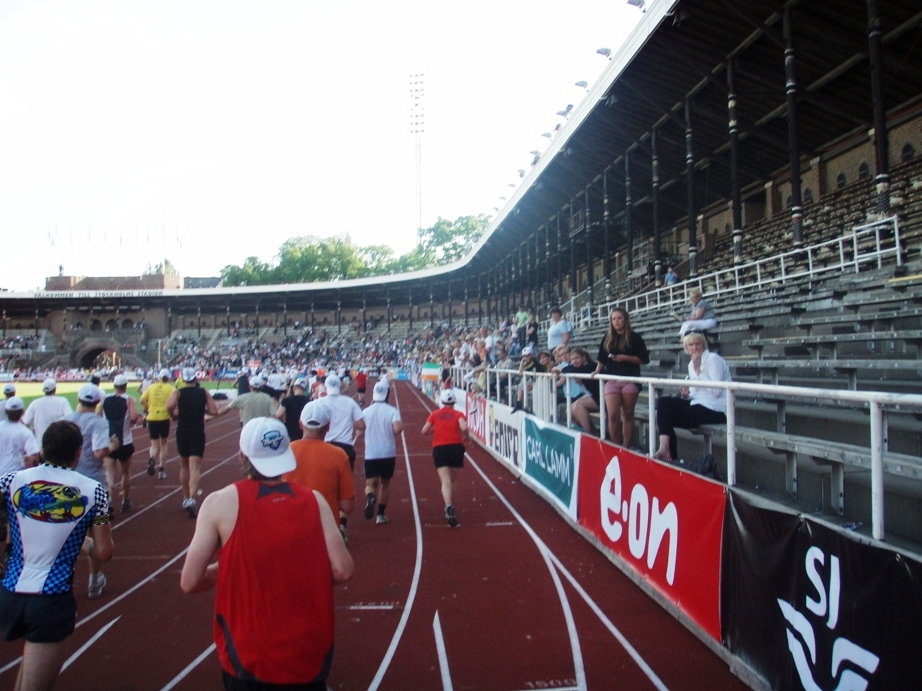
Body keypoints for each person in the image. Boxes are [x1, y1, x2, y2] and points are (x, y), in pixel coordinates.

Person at [180, 417, 354, 690]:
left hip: (247, 653)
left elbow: (190, 581)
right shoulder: (315, 500)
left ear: (242, 456)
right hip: (307, 650)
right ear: (286, 453)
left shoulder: (218, 503)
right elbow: (343, 570)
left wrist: (223, 569)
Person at [0, 420, 114, 691]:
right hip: (50, 600)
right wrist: (77, 539)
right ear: (78, 451)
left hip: (10, 594)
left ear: (43, 448)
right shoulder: (95, 492)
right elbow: (104, 552)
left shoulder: (9, 480)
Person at [68, 384, 120, 598]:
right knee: (96, 534)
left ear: (79, 399)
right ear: (98, 402)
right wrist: (112, 447)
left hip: (68, 482)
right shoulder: (99, 423)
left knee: (64, 528)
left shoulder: (66, 419)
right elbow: (99, 453)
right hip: (93, 485)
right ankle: (93, 579)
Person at [654, 332, 732, 461]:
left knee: (666, 418)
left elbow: (716, 392)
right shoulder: (692, 364)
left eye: (698, 344)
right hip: (698, 403)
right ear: (686, 348)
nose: (695, 348)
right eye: (691, 345)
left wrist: (698, 371)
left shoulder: (713, 359)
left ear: (704, 345)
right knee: (663, 403)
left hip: (716, 409)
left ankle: (669, 454)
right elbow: (696, 393)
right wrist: (686, 395)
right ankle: (664, 447)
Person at [284, 400, 355, 540]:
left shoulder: (285, 452)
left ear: (300, 424)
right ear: (328, 427)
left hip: (289, 528)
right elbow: (347, 506)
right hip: (325, 532)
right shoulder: (339, 455)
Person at [591, 309, 649, 448]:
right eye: (613, 319)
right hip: (611, 380)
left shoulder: (635, 337)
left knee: (628, 414)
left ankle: (626, 446)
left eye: (619, 318)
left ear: (625, 319)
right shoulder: (607, 337)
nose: (616, 321)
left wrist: (624, 358)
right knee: (612, 415)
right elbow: (602, 359)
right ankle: (616, 446)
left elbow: (644, 359)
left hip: (630, 379)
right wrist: (597, 371)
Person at [166, 367, 219, 518]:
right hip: (197, 431)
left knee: (183, 465)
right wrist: (203, 411)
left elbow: (169, 405)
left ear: (182, 379)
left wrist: (174, 415)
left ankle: (185, 497)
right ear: (196, 378)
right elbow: (214, 411)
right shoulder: (203, 392)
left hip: (182, 430)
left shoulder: (178, 392)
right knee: (195, 466)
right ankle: (192, 499)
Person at [321, 375, 365, 542]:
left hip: (324, 447)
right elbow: (362, 425)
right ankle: (341, 524)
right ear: (341, 387)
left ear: (325, 387)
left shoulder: (319, 403)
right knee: (342, 489)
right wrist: (348, 421)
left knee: (325, 487)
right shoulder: (349, 402)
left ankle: (327, 525)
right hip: (345, 448)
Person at [421, 389, 469, 528]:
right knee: (453, 480)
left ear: (441, 401)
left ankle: (448, 506)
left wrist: (434, 430)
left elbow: (424, 431)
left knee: (445, 481)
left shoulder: (435, 414)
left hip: (440, 449)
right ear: (454, 401)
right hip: (456, 448)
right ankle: (450, 506)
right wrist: (466, 436)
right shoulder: (458, 414)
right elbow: (464, 427)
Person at [361, 381, 404, 525]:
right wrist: (389, 433)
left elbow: (359, 430)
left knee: (370, 483)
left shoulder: (366, 411)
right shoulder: (392, 411)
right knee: (385, 484)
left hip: (371, 453)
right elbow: (398, 429)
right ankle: (380, 515)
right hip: (387, 452)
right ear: (387, 394)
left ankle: (370, 496)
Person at [101, 374, 141, 513]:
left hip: (109, 441)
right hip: (125, 440)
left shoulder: (104, 398)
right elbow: (135, 416)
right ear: (125, 386)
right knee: (125, 472)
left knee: (109, 473)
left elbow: (99, 416)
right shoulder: (129, 399)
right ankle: (125, 500)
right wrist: (131, 423)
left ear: (114, 386)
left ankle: (110, 500)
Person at [139, 368, 175, 479]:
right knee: (163, 444)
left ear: (159, 377)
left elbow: (141, 400)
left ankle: (152, 458)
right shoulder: (171, 388)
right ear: (168, 378)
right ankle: (161, 470)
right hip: (164, 417)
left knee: (154, 444)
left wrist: (149, 407)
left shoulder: (151, 387)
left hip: (152, 417)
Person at [23, 378, 72, 444]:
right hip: (59, 442)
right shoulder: (63, 401)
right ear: (54, 389)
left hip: (41, 443)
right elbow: (70, 419)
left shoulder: (35, 403)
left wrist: (34, 431)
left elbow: (25, 422)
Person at [0, 398, 40, 475]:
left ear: (6, 411)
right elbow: (33, 459)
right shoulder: (26, 432)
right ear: (22, 412)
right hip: (16, 475)